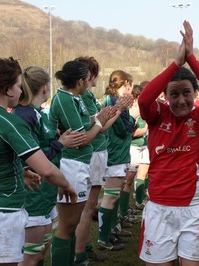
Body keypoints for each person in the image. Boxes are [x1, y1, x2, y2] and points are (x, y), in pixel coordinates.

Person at [0, 57, 77, 266]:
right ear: (7, 89)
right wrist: (67, 185)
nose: (21, 90)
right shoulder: (6, 120)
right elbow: (47, 170)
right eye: (17, 85)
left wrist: (18, 172)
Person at [138, 21, 199, 265]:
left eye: (186, 92)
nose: (180, 100)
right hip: (159, 207)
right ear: (165, 96)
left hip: (196, 210)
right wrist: (176, 62)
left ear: (196, 93)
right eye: (173, 94)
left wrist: (192, 59)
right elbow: (144, 99)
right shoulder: (157, 115)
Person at [12, 66, 85, 266]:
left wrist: (57, 139)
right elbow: (33, 159)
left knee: (41, 249)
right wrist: (61, 143)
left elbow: (42, 148)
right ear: (45, 88)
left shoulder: (36, 113)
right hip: (33, 194)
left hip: (44, 192)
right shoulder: (24, 116)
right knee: (30, 255)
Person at [49, 60, 115, 266]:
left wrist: (98, 120)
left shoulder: (74, 98)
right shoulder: (65, 100)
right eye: (87, 79)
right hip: (71, 164)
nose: (90, 82)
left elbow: (89, 127)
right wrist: (99, 121)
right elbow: (82, 139)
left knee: (72, 224)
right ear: (79, 82)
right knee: (67, 226)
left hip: (80, 164)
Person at [73, 56, 133, 264]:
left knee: (85, 207)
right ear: (90, 75)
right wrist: (120, 110)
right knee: (86, 208)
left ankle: (83, 247)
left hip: (96, 152)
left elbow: (98, 122)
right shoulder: (85, 97)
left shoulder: (85, 97)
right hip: (95, 152)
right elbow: (101, 126)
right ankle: (79, 253)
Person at [97, 69, 135, 251]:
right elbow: (122, 128)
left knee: (114, 195)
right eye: (130, 85)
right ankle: (104, 238)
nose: (131, 89)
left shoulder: (111, 100)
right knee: (110, 196)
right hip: (114, 153)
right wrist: (132, 120)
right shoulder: (113, 102)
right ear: (126, 83)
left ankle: (111, 230)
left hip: (117, 152)